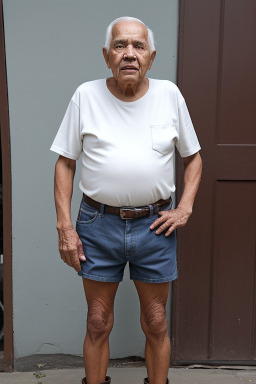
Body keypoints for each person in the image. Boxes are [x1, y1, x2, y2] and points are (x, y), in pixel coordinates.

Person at [51, 16, 202, 384]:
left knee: (156, 322)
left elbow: (193, 157)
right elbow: (65, 162)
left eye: (138, 46)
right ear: (106, 56)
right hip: (97, 224)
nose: (129, 54)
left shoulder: (170, 95)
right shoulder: (86, 95)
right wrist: (65, 226)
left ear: (151, 56)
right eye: (120, 46)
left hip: (155, 226)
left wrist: (184, 208)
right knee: (97, 321)